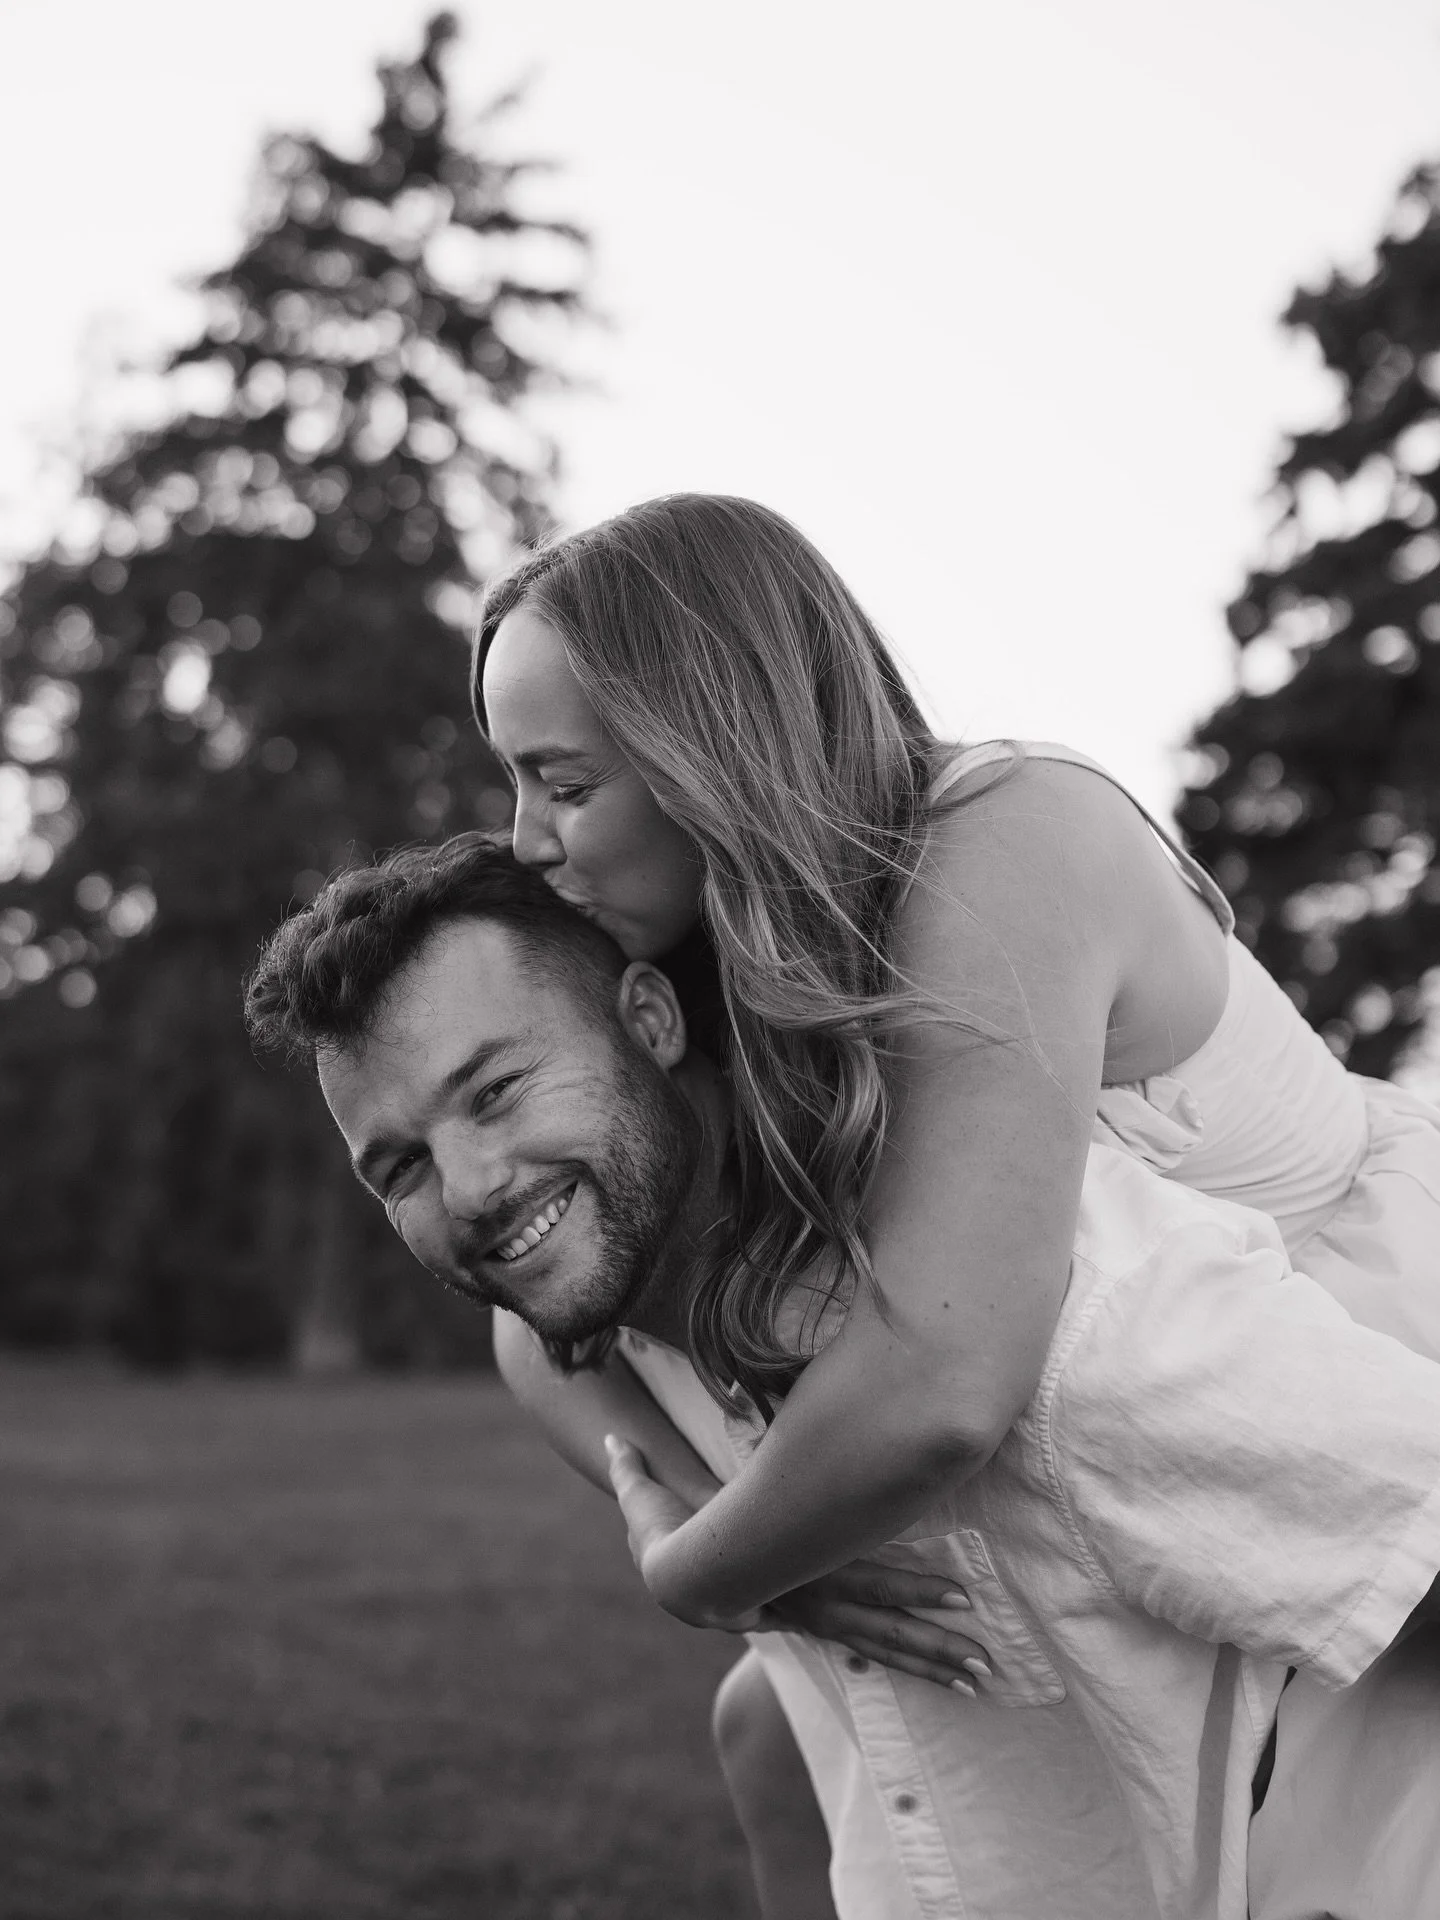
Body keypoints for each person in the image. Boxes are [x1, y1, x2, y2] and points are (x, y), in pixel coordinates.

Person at [244, 837, 1440, 1920]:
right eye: (397, 1167)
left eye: (496, 1092)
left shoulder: (1046, 1330)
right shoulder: (624, 1345)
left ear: (653, 1019)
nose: (468, 1190)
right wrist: (743, 1569)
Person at [470, 491, 1440, 1695]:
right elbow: (536, 1317)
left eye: (561, 783)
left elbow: (942, 1377)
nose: (523, 840)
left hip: (1365, 1378)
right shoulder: (702, 969)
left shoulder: (1009, 834)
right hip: (1141, 1476)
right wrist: (752, 1527)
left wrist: (700, 1573)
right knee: (773, 1730)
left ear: (708, 744)